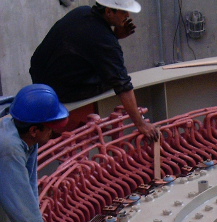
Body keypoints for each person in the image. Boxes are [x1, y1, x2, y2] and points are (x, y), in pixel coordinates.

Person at [29, 0, 159, 141]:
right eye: (123, 12)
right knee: (111, 77)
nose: (127, 15)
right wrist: (141, 124)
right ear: (109, 11)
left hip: (40, 78)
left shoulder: (82, 12)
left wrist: (114, 36)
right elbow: (121, 83)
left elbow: (89, 43)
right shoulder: (105, 40)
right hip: (60, 91)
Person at [0, 85, 68, 222]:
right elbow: (19, 201)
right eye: (51, 130)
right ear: (34, 130)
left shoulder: (24, 127)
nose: (54, 134)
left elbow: (28, 184)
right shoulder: (9, 147)